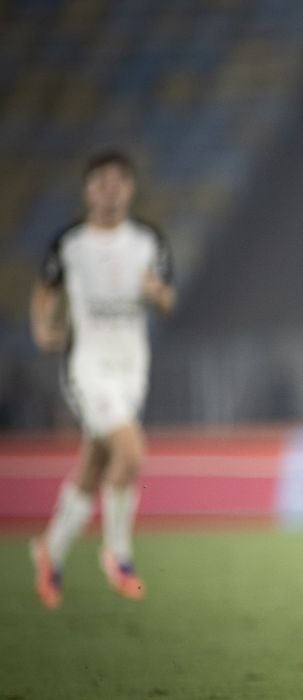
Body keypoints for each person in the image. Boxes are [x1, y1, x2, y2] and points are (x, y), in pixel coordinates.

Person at [28, 150, 175, 609]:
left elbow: (167, 299)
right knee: (130, 451)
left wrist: (157, 295)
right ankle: (119, 555)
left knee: (95, 464)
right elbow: (45, 288)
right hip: (87, 366)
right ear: (88, 189)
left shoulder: (148, 240)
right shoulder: (70, 243)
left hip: (132, 365)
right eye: (101, 180)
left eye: (118, 180)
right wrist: (41, 324)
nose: (110, 187)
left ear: (130, 188)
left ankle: (49, 553)